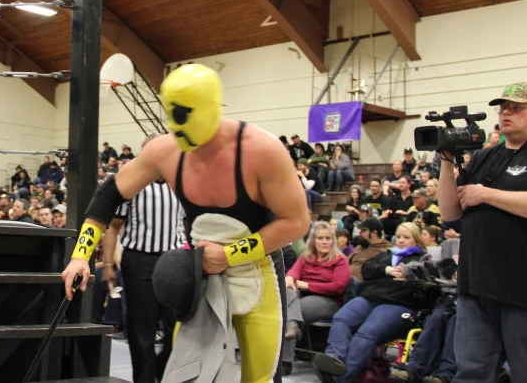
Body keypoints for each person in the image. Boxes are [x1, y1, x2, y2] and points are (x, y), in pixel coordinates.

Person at [62, 63, 310, 383]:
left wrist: (229, 254)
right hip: (201, 273)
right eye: (169, 113)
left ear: (209, 108)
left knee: (260, 376)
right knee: (188, 373)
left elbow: (297, 222)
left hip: (257, 271)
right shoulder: (165, 151)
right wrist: (81, 254)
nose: (173, 126)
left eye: (181, 114)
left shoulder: (261, 150)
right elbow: (108, 195)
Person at [438, 82, 527, 382]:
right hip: (476, 285)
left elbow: (480, 196)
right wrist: (446, 162)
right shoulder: (483, 157)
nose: (506, 113)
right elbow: (450, 212)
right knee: (472, 373)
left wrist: (486, 194)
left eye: (516, 108)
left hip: (521, 288)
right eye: (503, 108)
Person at [101, 136, 186, 383]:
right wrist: (107, 264)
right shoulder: (133, 185)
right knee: (141, 330)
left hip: (175, 261)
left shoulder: (180, 184)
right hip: (139, 261)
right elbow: (113, 226)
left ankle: (162, 372)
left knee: (177, 328)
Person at [314, 223, 428, 383]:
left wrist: (407, 273)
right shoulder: (386, 254)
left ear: (416, 239)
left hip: (398, 303)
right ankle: (334, 359)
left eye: (406, 237)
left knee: (366, 333)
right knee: (341, 318)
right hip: (370, 298)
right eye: (399, 237)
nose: (401, 240)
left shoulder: (421, 259)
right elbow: (367, 269)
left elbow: (424, 285)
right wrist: (386, 270)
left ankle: (339, 379)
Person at [283, 222, 350, 375]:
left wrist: (307, 285)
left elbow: (338, 286)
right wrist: (289, 278)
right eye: (320, 238)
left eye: (328, 238)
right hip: (301, 297)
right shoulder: (306, 257)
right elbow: (293, 273)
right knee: (285, 294)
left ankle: (285, 360)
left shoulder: (340, 260)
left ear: (333, 240)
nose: (324, 242)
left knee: (289, 309)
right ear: (313, 240)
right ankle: (292, 325)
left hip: (328, 301)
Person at [348, 217, 391, 281]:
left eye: (363, 230)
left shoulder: (387, 251)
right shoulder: (361, 245)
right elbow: (345, 261)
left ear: (374, 233)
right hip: (344, 280)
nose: (360, 233)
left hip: (362, 286)